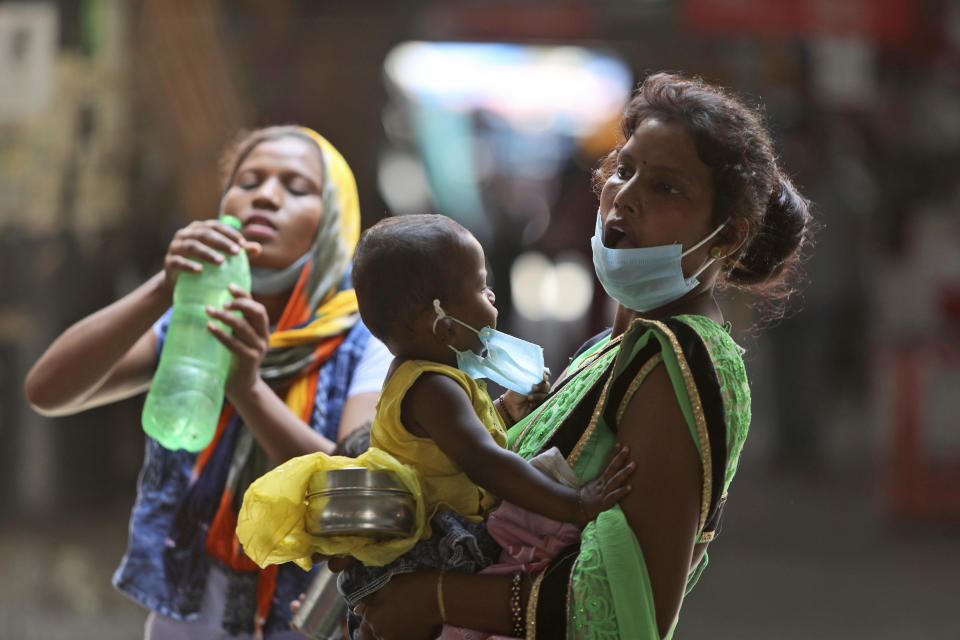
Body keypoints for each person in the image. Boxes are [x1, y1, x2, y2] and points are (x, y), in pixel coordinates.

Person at [339, 72, 815, 640]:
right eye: (624, 169)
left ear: (726, 237)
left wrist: (433, 597)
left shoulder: (678, 359)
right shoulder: (606, 350)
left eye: (667, 189)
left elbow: (619, 608)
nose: (628, 197)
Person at [24, 125, 393, 639]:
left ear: (333, 221)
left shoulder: (368, 338)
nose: (265, 196)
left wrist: (247, 389)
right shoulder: (198, 317)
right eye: (249, 181)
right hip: (189, 611)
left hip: (308, 616)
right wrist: (162, 288)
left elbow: (353, 494)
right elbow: (47, 390)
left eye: (296, 187)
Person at [242, 214, 633, 637]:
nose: (493, 295)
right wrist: (573, 504)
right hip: (425, 554)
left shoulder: (430, 377)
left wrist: (503, 411)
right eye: (482, 288)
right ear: (444, 323)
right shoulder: (434, 388)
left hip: (415, 549)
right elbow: (485, 462)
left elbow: (446, 448)